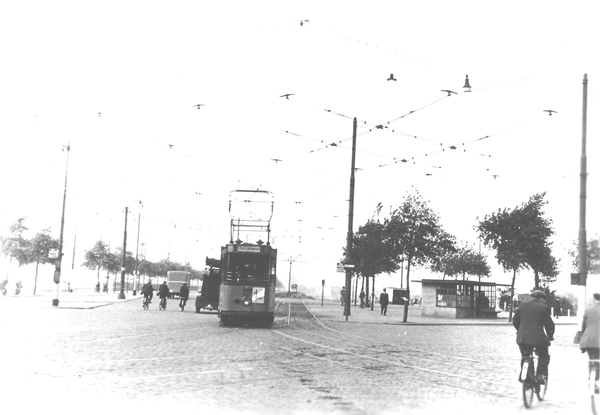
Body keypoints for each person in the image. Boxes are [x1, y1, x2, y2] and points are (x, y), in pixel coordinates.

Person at [513, 290, 555, 385]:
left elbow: (515, 320)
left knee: (525, 356)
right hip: (538, 339)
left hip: (523, 338)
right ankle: (540, 376)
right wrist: (550, 336)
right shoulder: (544, 308)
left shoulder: (522, 305)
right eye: (543, 300)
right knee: (544, 356)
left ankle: (526, 377)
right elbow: (549, 325)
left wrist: (520, 330)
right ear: (540, 298)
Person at [580, 293, 600, 383]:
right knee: (598, 360)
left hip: (588, 340)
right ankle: (595, 379)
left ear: (594, 299)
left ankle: (590, 378)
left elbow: (583, 327)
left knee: (592, 358)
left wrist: (583, 339)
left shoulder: (587, 311)